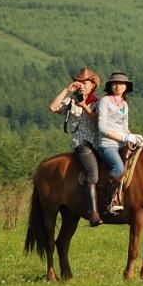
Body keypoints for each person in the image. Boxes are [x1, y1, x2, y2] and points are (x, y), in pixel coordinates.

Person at [49, 68, 103, 227]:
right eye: (79, 83)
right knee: (92, 171)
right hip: (82, 144)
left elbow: (99, 122)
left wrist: (84, 105)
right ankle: (93, 213)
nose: (81, 86)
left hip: (100, 143)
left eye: (85, 83)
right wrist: (66, 90)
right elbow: (52, 108)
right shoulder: (71, 101)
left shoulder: (98, 102)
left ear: (93, 85)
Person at [97, 71, 143, 213]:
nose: (118, 86)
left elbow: (124, 127)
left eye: (121, 84)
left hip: (122, 144)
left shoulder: (124, 104)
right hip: (107, 144)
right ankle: (110, 202)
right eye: (115, 83)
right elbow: (102, 128)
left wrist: (134, 136)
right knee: (118, 168)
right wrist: (124, 137)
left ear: (126, 87)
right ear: (111, 86)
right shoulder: (105, 101)